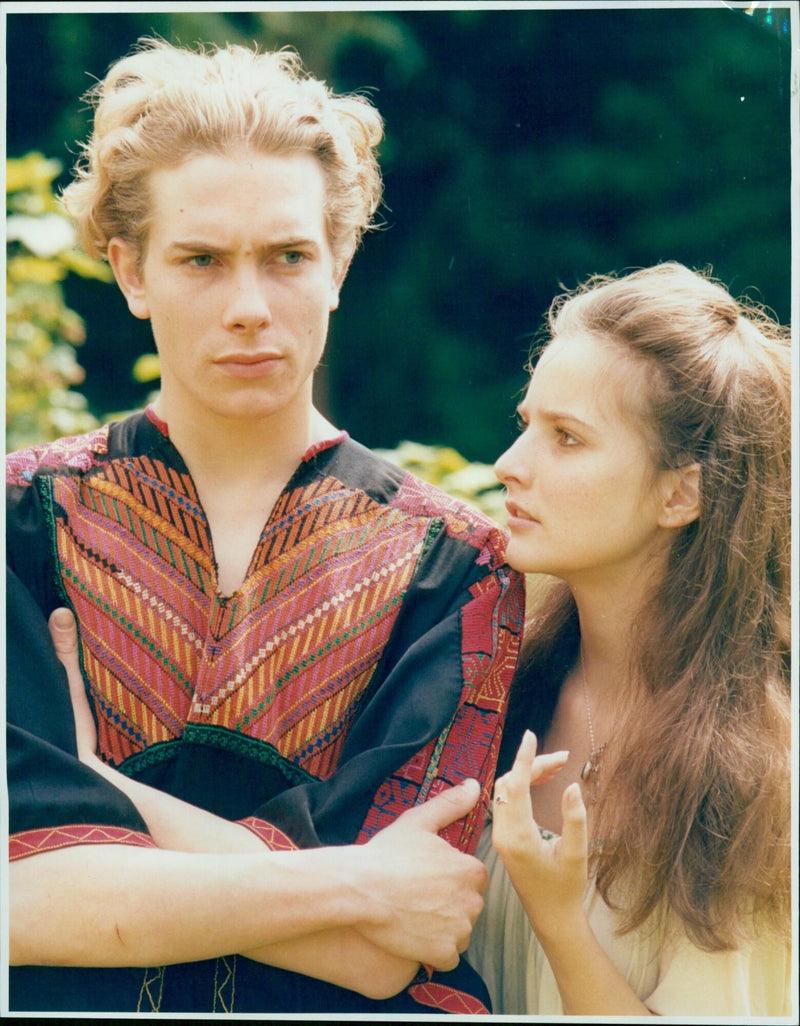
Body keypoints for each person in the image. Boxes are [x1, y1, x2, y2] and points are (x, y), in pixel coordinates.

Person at [5, 39, 525, 1014]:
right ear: (129, 271)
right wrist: (351, 885)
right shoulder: (18, 520)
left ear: (338, 263)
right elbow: (19, 903)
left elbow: (389, 954)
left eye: (287, 256)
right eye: (200, 260)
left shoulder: (451, 567)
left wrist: (92, 797)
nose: (249, 307)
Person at [465, 261, 792, 1016]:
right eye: (526, 426)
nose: (511, 466)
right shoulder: (490, 682)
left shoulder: (749, 776)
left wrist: (555, 918)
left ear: (681, 493)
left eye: (567, 439)